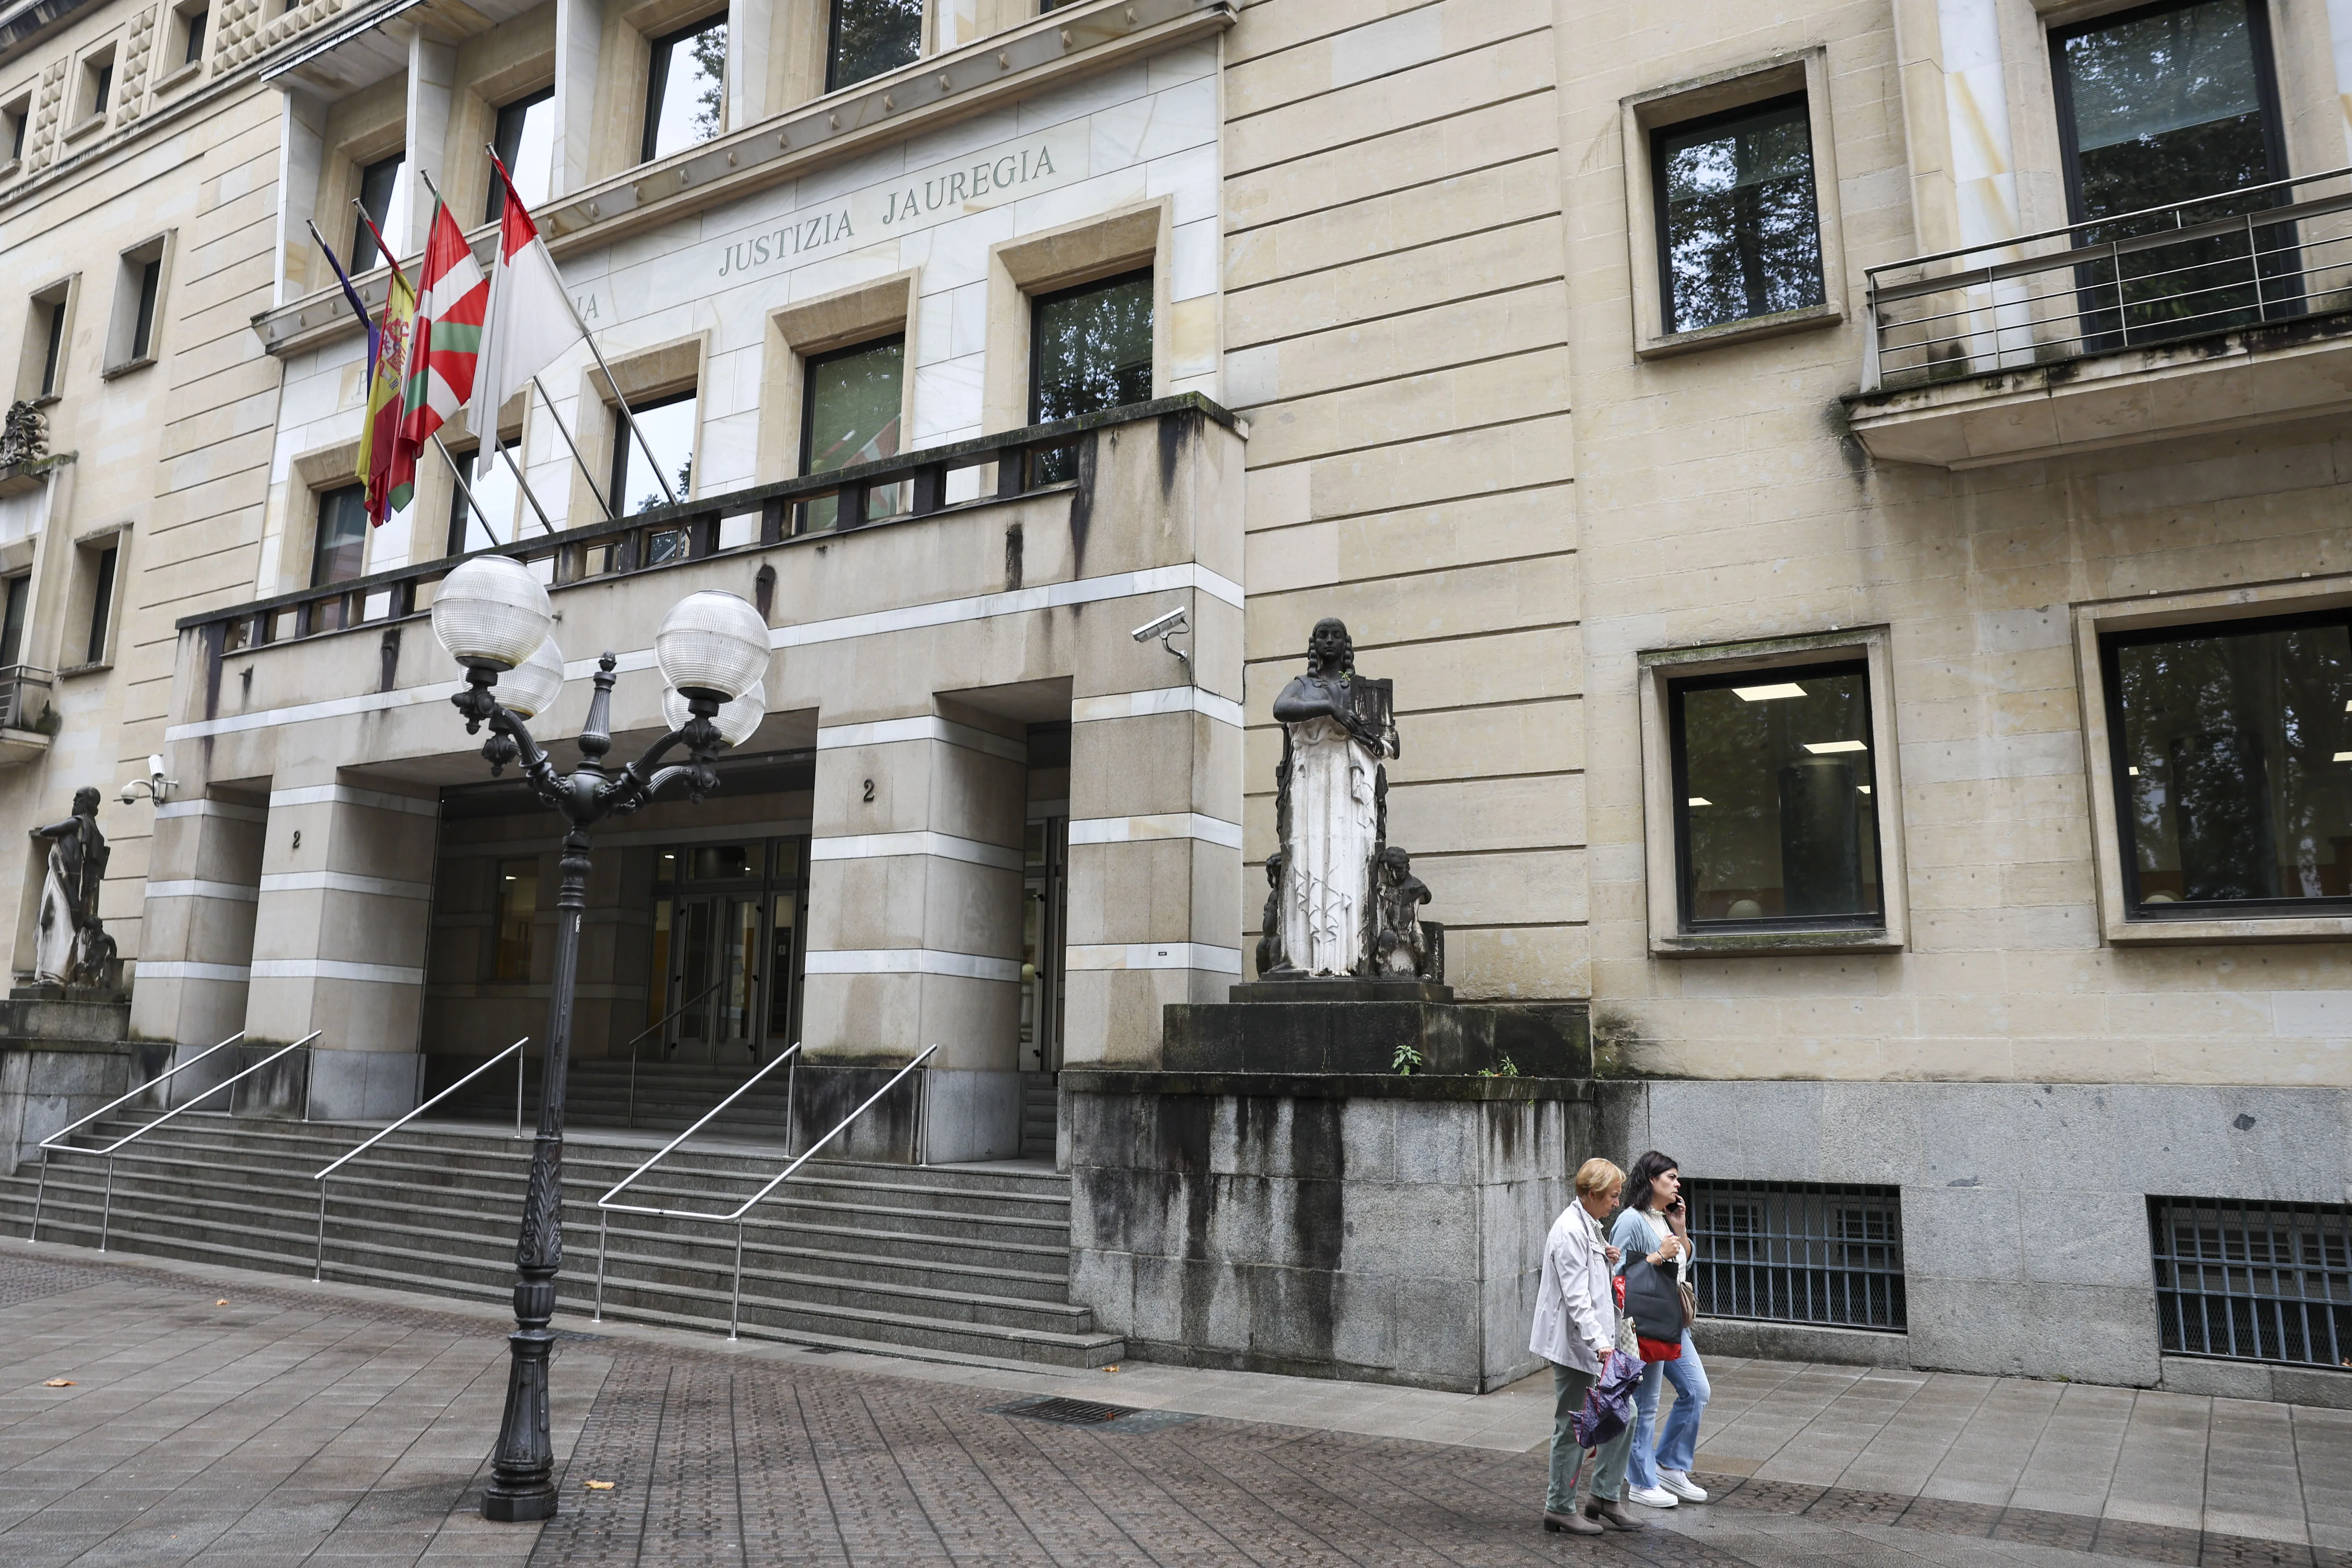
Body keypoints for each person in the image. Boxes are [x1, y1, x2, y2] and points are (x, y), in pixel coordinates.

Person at [1529, 1157, 1646, 1535]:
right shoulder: (1569, 1230)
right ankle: (1560, 1507)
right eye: (1612, 1196)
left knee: (1623, 1414)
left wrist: (1607, 1257)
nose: (1616, 1203)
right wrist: (1601, 1345)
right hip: (1581, 1347)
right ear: (1592, 1194)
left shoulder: (1587, 1224)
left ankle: (1604, 1497)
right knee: (1573, 1427)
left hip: (1594, 1345)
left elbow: (1589, 1284)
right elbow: (1577, 1297)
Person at [1610, 1150, 1713, 1508]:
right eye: (1670, 1177)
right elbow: (1617, 1276)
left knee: (1697, 1391)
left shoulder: (1663, 1218)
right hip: (1646, 1325)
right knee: (1646, 1403)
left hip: (1674, 1323)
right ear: (1651, 1180)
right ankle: (1640, 1481)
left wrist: (1680, 1232)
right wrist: (1658, 1255)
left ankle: (1669, 1464)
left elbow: (1682, 1259)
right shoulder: (1631, 1221)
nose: (1677, 1184)